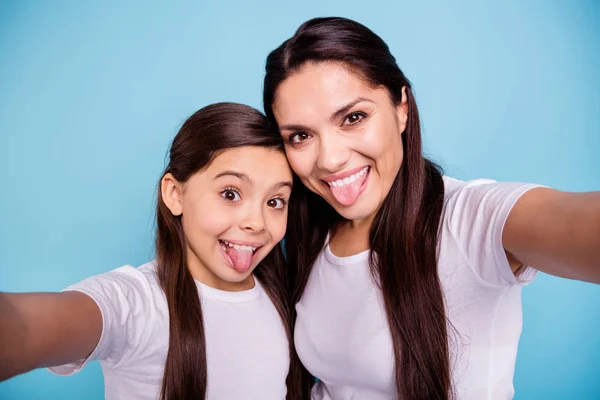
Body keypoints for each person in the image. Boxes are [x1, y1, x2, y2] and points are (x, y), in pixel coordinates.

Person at [263, 17, 600, 400]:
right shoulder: (310, 233)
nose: (330, 159)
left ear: (402, 108)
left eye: (353, 118)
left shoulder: (468, 219)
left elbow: (577, 224)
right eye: (301, 136)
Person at [0, 102, 301, 400]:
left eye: (275, 201)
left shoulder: (281, 293)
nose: (257, 222)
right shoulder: (138, 304)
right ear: (174, 194)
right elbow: (24, 328)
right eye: (230, 194)